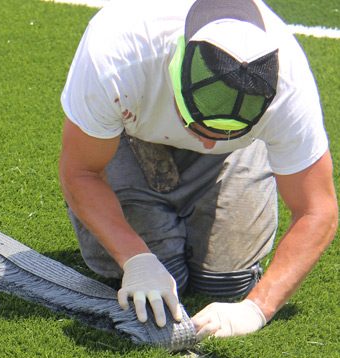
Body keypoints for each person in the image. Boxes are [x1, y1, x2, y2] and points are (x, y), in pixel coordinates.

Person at [58, 0, 337, 338]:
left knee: (225, 282)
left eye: (224, 132)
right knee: (162, 275)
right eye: (197, 128)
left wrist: (257, 307)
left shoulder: (288, 86)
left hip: (235, 154)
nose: (207, 144)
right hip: (133, 137)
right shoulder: (118, 54)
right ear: (173, 71)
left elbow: (317, 210)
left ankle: (235, 150)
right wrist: (136, 259)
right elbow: (81, 172)